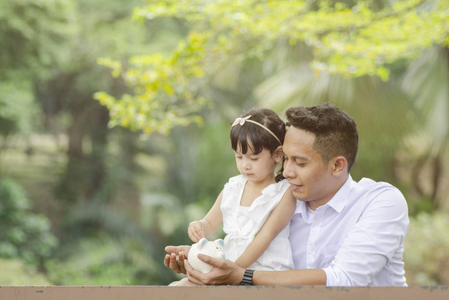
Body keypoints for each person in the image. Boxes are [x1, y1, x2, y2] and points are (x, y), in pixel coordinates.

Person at [164, 103, 409, 286]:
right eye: (286, 159)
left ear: (337, 166)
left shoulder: (380, 202)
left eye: (300, 163)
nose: (287, 171)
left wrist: (241, 276)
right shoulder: (280, 199)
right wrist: (203, 262)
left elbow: (346, 278)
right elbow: (239, 249)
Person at [169, 108, 296, 286]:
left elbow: (265, 237)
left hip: (261, 274)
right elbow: (209, 223)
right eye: (239, 156)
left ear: (277, 154)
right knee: (178, 287)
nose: (245, 165)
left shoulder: (284, 193)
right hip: (226, 271)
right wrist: (199, 227)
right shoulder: (233, 188)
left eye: (254, 158)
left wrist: (232, 271)